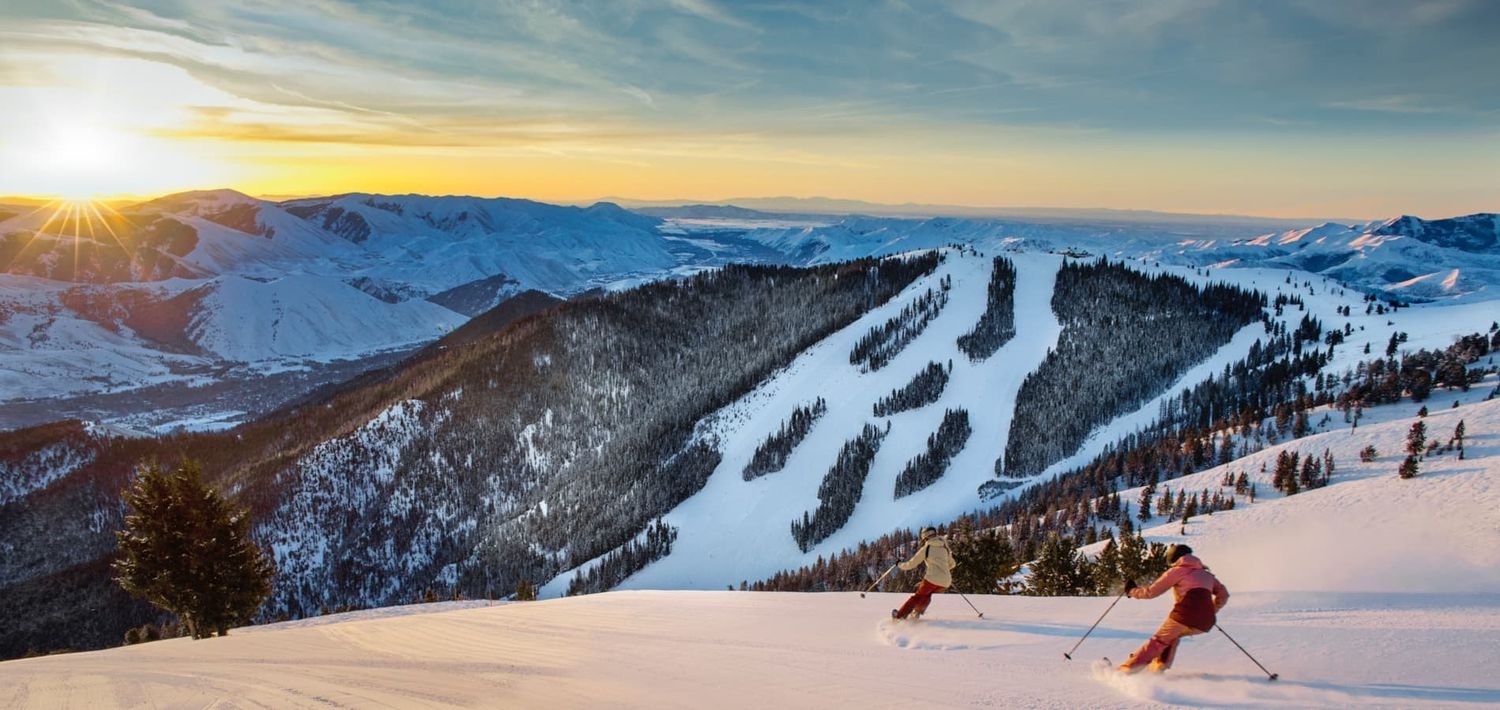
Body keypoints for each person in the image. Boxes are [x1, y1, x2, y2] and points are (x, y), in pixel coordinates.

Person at [1118, 543, 1229, 674]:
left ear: (1173, 558)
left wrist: (1132, 591)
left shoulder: (1177, 571)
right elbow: (1224, 595)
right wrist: (1211, 610)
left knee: (1158, 641)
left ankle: (1127, 670)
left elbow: (1151, 592)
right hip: (1206, 622)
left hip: (1183, 615)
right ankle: (1158, 667)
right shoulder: (1207, 575)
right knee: (1172, 637)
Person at [891, 527, 955, 620]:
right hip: (946, 582)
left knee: (918, 596)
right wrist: (943, 569)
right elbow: (952, 564)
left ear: (925, 536)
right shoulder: (944, 548)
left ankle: (899, 615)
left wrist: (899, 564)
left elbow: (911, 564)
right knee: (926, 595)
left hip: (932, 579)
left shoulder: (927, 548)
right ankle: (916, 612)